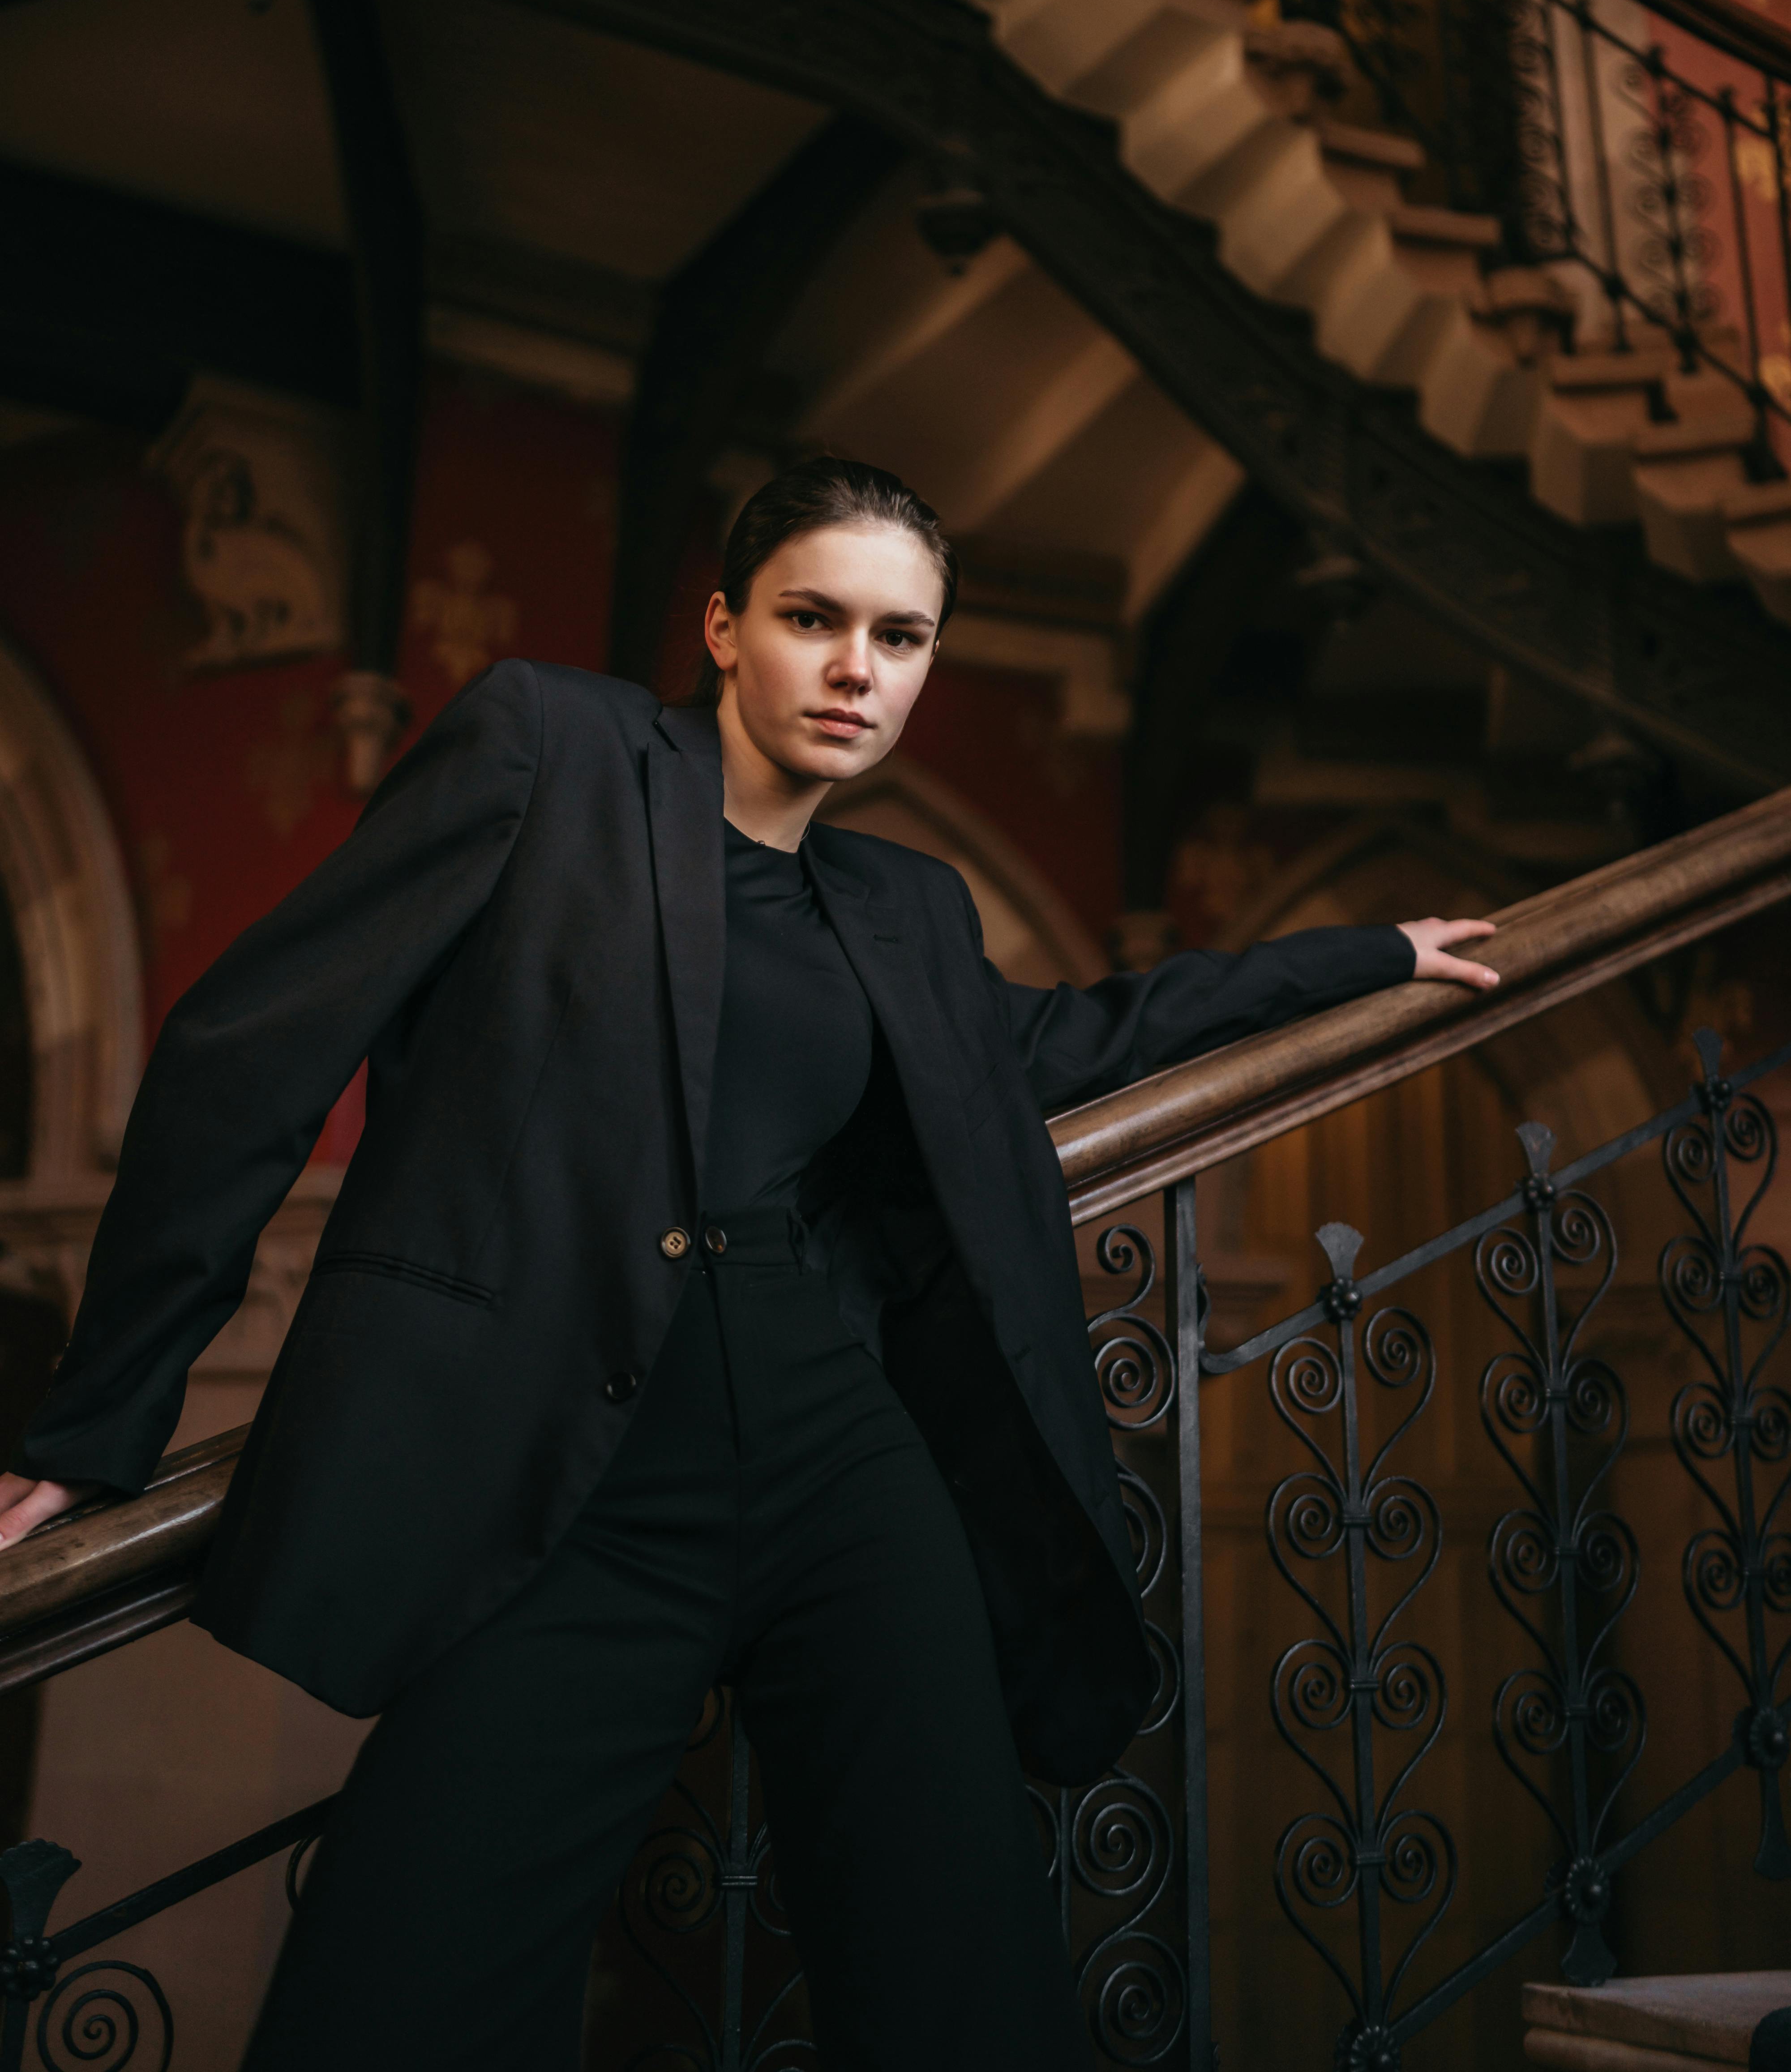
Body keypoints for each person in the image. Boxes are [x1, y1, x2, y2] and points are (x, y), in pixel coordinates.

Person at [0, 457, 1498, 2071]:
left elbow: (1065, 1042)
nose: (860, 669)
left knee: (957, 1950)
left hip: (836, 1458)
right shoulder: (549, 752)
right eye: (815, 618)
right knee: (407, 1975)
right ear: (725, 628)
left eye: (904, 638)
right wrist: (100, 1423)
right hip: (572, 1469)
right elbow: (252, 1049)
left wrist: (1367, 958)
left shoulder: (906, 903)